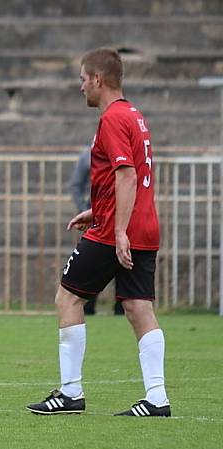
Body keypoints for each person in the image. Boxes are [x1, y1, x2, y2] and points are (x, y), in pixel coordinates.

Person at [28, 48, 170, 417]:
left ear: (97, 80)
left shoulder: (112, 119)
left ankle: (70, 393)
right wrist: (98, 209)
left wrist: (117, 228)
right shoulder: (135, 116)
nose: (80, 87)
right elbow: (129, 176)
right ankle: (157, 398)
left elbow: (127, 174)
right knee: (139, 307)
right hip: (142, 225)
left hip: (115, 231)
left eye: (82, 79)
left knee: (68, 298)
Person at [69, 148, 124, 316]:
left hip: (119, 214)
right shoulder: (88, 156)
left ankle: (121, 306)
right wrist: (84, 209)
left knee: (121, 261)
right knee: (92, 261)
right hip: (97, 216)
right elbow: (76, 185)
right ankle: (88, 306)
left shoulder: (121, 154)